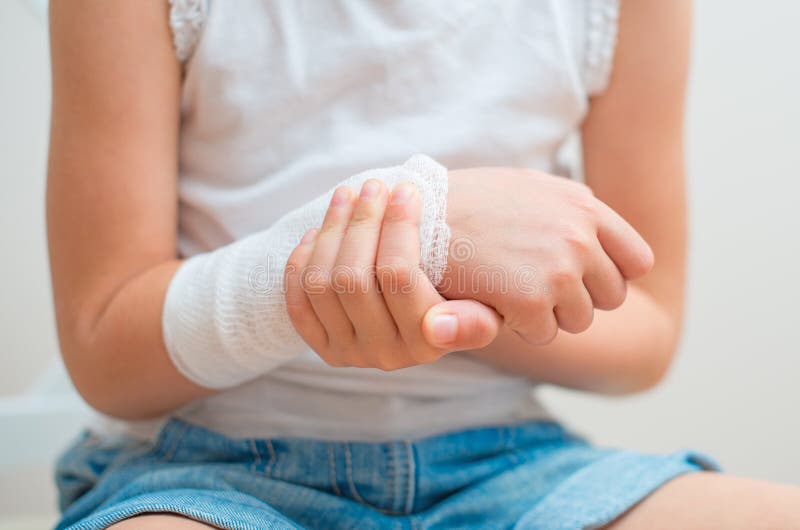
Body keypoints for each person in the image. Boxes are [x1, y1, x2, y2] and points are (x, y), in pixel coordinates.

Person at [47, 1, 800, 529]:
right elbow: (105, 344)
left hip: (510, 470)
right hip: (203, 475)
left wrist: (444, 272)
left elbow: (649, 329)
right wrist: (424, 233)